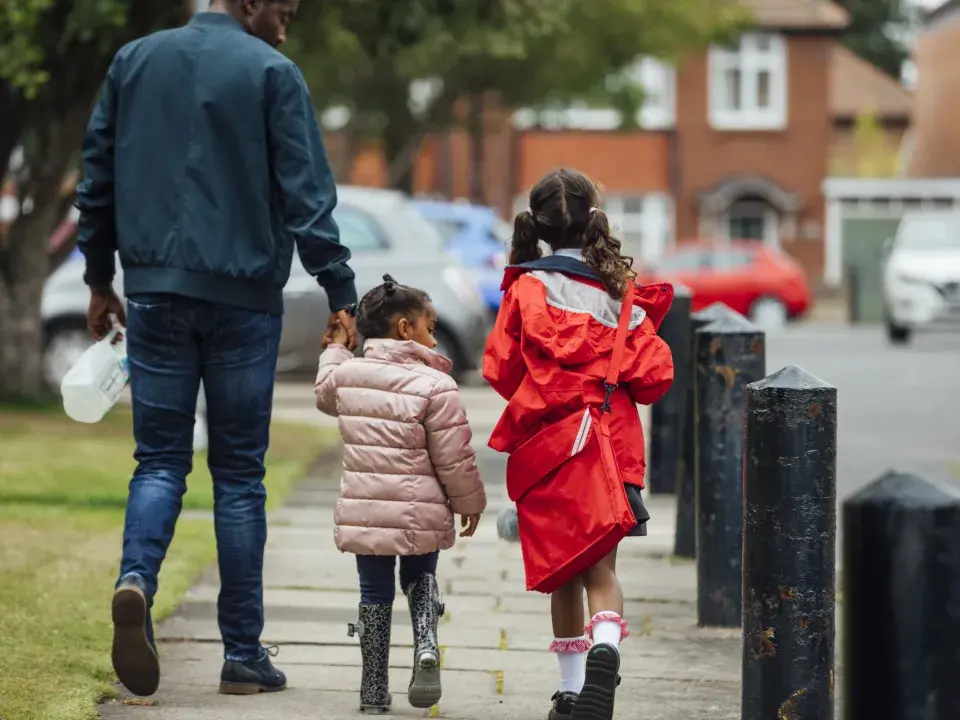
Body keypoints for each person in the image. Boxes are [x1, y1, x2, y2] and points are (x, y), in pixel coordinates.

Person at [75, 0, 357, 699]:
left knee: (159, 460)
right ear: (251, 3)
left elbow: (97, 176)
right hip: (242, 299)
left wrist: (97, 277)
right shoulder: (272, 72)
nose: (288, 24)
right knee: (238, 477)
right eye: (285, 10)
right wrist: (340, 290)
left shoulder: (134, 61)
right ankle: (241, 653)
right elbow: (306, 194)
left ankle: (135, 579)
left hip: (154, 294)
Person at [483, 169, 675, 720]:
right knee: (602, 570)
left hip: (553, 440)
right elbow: (656, 378)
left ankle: (570, 692)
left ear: (537, 226)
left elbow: (499, 367)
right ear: (596, 221)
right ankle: (607, 650)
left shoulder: (525, 288)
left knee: (561, 573)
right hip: (611, 443)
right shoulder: (622, 298)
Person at [314, 274, 487, 713]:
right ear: (406, 329)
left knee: (373, 594)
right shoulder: (435, 385)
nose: (433, 339)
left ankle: (373, 689)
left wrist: (336, 344)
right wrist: (469, 503)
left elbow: (324, 391)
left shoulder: (349, 377)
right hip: (420, 510)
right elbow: (454, 458)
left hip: (365, 508)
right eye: (430, 328)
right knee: (419, 579)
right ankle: (426, 644)